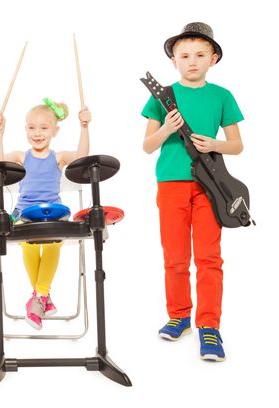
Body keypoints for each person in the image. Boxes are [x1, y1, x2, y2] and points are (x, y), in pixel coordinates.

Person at [141, 22, 244, 362]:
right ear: (174, 60)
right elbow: (147, 145)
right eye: (184, 56)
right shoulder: (161, 97)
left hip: (211, 188)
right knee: (175, 256)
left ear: (213, 58)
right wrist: (166, 129)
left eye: (200, 55)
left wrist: (215, 144)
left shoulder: (222, 96)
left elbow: (237, 145)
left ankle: (209, 326)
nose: (192, 61)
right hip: (170, 184)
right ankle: (179, 316)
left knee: (209, 257)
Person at [0, 99, 91, 330]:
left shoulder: (58, 157)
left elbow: (81, 156)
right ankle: (42, 296)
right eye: (32, 127)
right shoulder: (21, 156)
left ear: (55, 131)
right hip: (25, 214)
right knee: (30, 244)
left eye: (44, 128)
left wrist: (84, 128)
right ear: (25, 129)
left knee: (53, 243)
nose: (37, 133)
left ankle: (38, 297)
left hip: (53, 214)